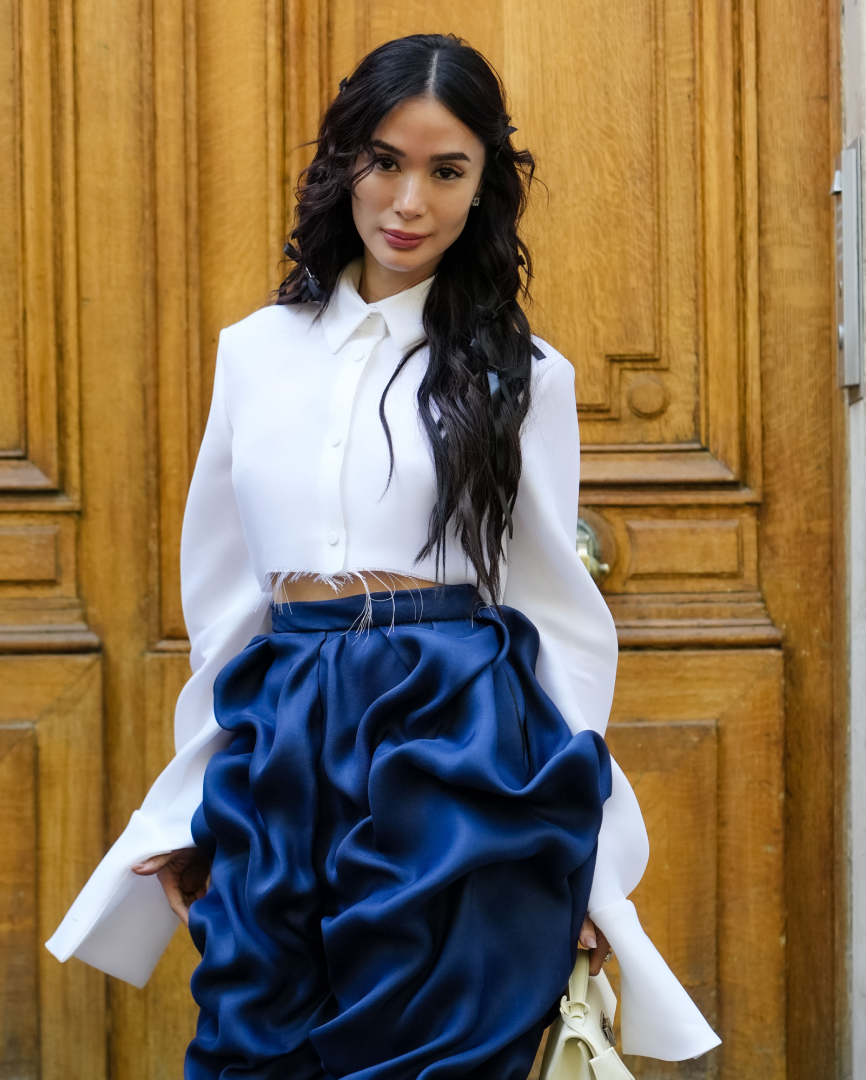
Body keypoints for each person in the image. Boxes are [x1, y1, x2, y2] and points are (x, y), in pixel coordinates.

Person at [48, 33, 721, 1078]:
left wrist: (586, 857)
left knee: (438, 1047)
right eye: (386, 161)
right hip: (283, 744)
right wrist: (191, 801)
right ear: (343, 165)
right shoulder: (254, 355)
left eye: (447, 171)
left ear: (484, 185)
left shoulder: (526, 374)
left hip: (456, 741)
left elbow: (562, 616)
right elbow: (225, 609)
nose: (411, 201)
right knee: (254, 1039)